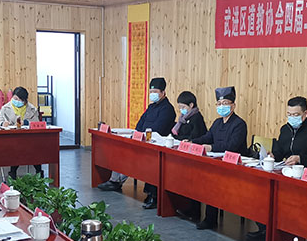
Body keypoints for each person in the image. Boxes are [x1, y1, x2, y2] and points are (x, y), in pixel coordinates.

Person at [246, 97, 307, 239]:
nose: (292, 118)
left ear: (305, 114)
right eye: (289, 114)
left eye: (296, 115)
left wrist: (300, 158)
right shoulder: (285, 129)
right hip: (284, 173)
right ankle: (266, 229)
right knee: (261, 193)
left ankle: (292, 234)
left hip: (304, 177)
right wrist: (273, 155)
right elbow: (281, 150)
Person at [98, 78, 176, 210]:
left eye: (155, 92)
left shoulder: (168, 109)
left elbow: (159, 129)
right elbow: (140, 123)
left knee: (143, 160)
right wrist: (138, 134)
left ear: (163, 92)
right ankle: (115, 180)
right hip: (143, 141)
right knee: (123, 149)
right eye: (151, 92)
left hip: (156, 146)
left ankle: (152, 195)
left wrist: (144, 135)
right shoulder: (151, 107)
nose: (152, 94)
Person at [191, 86, 248, 230]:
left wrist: (211, 148)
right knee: (200, 175)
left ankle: (210, 219)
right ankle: (198, 212)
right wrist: (192, 142)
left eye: (225, 103)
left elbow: (232, 146)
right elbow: (207, 137)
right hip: (217, 163)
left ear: (233, 105)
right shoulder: (217, 123)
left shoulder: (239, 124)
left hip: (235, 166)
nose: (222, 107)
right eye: (219, 104)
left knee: (212, 179)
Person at [0, 86, 40, 180]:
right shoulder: (5, 108)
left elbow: (37, 123)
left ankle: (39, 172)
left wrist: (26, 123)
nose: (17, 101)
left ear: (25, 100)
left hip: (29, 138)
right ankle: (13, 172)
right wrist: (3, 123)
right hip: (12, 138)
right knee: (17, 148)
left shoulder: (32, 109)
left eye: (20, 100)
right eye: (15, 98)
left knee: (35, 149)